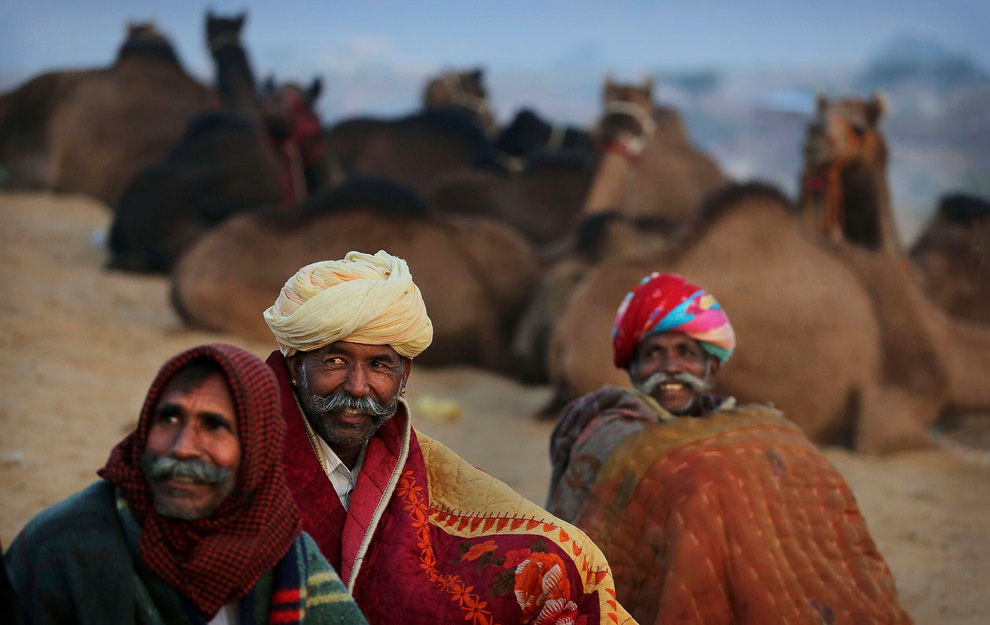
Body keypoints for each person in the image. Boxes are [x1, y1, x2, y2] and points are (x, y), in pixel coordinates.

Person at [262, 250, 633, 624]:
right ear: (295, 367)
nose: (358, 387)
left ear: (403, 376)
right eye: (335, 361)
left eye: (379, 365)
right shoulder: (245, 454)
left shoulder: (415, 458)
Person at [546, 272, 912, 625]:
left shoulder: (738, 424)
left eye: (686, 352)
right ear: (635, 370)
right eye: (653, 354)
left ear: (711, 367)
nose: (670, 367)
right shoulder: (607, 425)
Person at [4, 343, 367, 625]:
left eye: (213, 426)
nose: (182, 448)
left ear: (256, 449)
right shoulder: (62, 548)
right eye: (169, 418)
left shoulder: (280, 544)